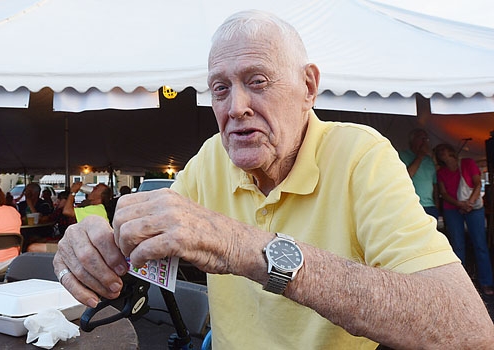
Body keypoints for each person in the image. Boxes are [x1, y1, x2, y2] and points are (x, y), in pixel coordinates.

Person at [53, 10, 494, 349]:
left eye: (257, 81)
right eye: (220, 88)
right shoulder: (212, 157)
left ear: (308, 86)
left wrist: (241, 246)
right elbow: (141, 244)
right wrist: (89, 244)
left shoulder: (361, 155)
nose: (236, 106)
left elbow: (469, 329)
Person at [434, 143, 494, 296]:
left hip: (472, 207)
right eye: (438, 152)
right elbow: (443, 193)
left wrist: (469, 203)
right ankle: (461, 285)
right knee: (457, 246)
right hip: (453, 208)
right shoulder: (441, 172)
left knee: (480, 245)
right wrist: (460, 204)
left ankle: (486, 282)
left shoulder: (467, 163)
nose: (441, 153)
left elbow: (477, 183)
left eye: (443, 149)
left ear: (451, 151)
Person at [399, 128, 439, 220]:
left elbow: (434, 184)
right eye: (422, 138)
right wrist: (420, 156)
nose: (425, 142)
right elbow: (407, 176)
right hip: (410, 205)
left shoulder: (429, 160)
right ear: (412, 140)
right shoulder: (402, 155)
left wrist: (437, 205)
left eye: (427, 139)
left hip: (430, 206)